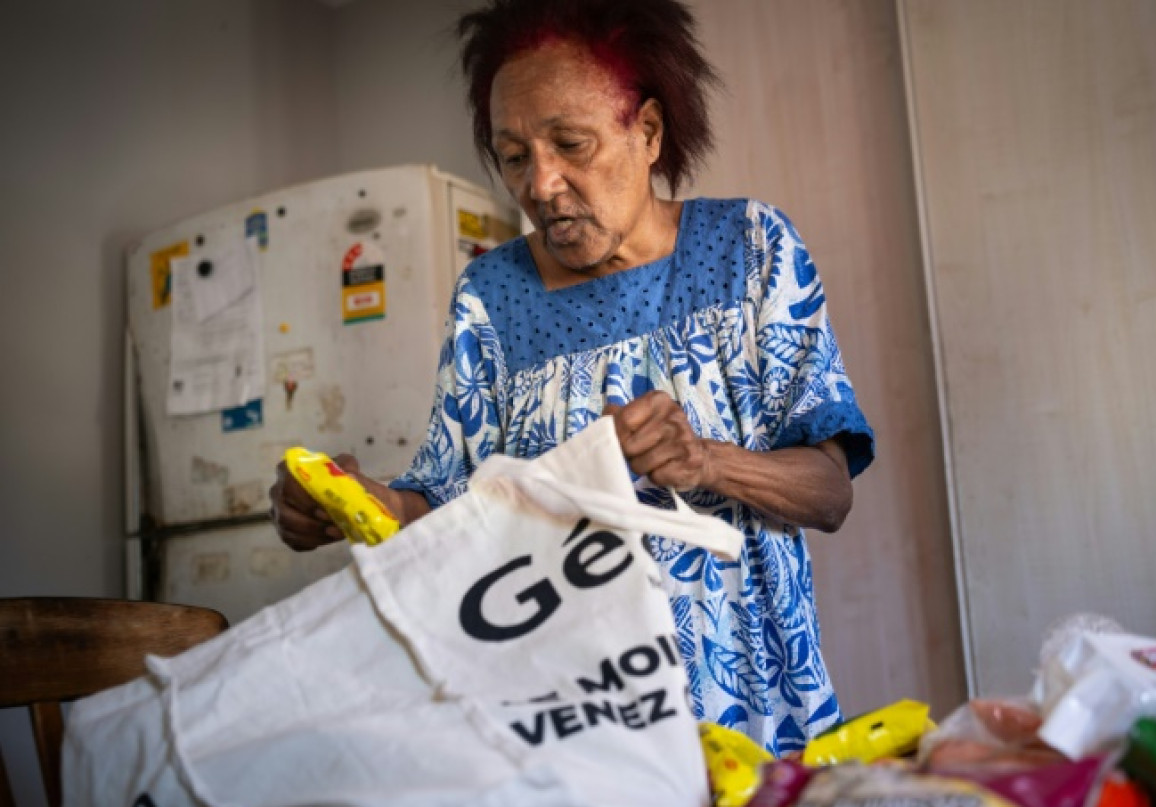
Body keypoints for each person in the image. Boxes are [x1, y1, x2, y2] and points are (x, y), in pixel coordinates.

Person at [268, 0, 874, 755]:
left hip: (756, 715)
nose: (542, 184)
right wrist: (360, 501)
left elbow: (830, 493)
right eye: (514, 155)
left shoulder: (751, 249)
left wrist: (707, 461)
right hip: (568, 728)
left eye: (570, 144)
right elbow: (446, 505)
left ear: (647, 132)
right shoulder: (491, 300)